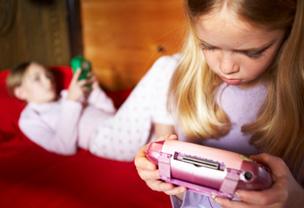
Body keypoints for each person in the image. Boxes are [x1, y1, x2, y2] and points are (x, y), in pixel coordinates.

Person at [133, 0, 304, 207]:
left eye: (252, 52)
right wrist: (158, 171)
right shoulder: (186, 81)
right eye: (208, 46)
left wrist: (295, 199)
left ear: (290, 30)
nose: (226, 67)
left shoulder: (297, 98)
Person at [6, 62, 115, 155]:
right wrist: (71, 102)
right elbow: (65, 148)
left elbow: (110, 111)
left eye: (48, 76)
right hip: (103, 139)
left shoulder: (65, 95)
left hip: (115, 123)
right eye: (37, 79)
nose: (49, 81)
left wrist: (95, 90)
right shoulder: (30, 118)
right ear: (21, 93)